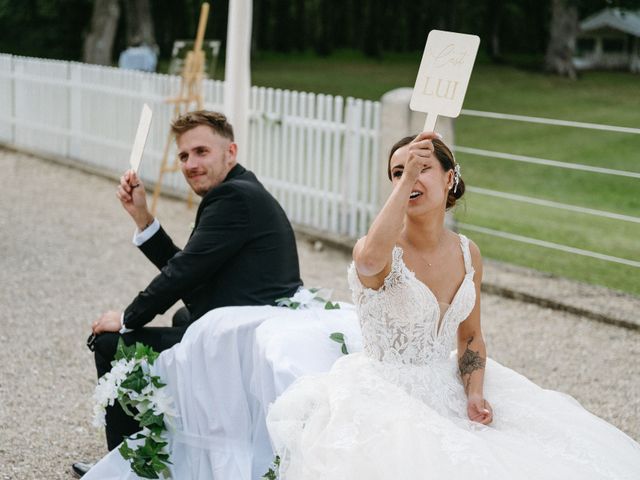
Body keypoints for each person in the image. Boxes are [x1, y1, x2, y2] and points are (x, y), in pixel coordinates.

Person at [265, 132, 640, 479]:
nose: (409, 177)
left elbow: (472, 336)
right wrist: (410, 175)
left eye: (422, 167)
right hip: (384, 395)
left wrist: (474, 391)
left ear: (449, 179)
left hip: (444, 386)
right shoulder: (380, 251)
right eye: (398, 172)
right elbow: (365, 263)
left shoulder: (468, 253)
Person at [74, 110, 302, 477]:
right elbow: (195, 273)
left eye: (201, 152)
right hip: (252, 325)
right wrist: (143, 220)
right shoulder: (240, 189)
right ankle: (168, 445)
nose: (191, 164)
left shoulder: (233, 199)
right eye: (183, 156)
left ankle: (128, 468)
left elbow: (184, 273)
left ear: (231, 151)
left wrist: (128, 318)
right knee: (184, 319)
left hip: (243, 344)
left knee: (110, 344)